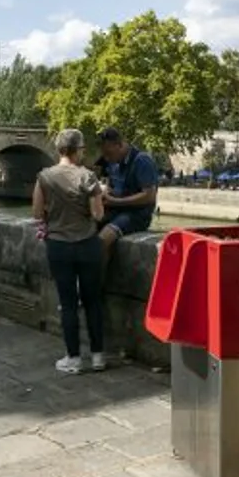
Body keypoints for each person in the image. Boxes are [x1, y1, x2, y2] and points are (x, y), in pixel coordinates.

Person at [32, 129, 107, 375]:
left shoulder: (44, 177)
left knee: (68, 303)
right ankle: (98, 356)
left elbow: (36, 212)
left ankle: (73, 359)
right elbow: (98, 215)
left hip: (59, 246)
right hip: (87, 244)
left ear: (59, 150)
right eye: (83, 148)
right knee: (93, 301)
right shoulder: (88, 177)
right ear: (77, 150)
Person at [94, 128, 159, 264]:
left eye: (109, 153)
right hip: (116, 209)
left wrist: (116, 201)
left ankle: (95, 283)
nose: (107, 158)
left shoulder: (142, 161)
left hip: (136, 214)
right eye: (104, 154)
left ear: (120, 144)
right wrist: (106, 194)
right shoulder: (113, 161)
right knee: (84, 230)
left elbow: (149, 196)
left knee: (102, 241)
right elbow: (111, 185)